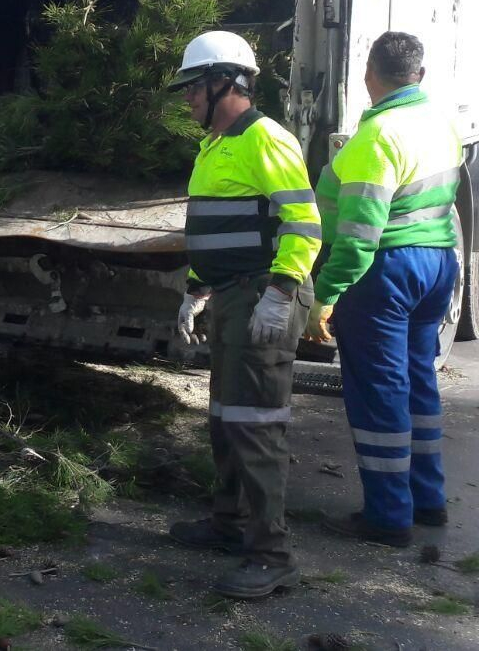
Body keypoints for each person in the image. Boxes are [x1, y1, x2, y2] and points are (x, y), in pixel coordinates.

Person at [165, 31, 322, 599]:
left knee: (256, 427)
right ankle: (228, 524)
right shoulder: (216, 145)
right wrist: (197, 289)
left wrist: (281, 293)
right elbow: (220, 227)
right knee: (227, 418)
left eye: (193, 89)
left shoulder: (265, 139)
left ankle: (272, 554)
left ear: (224, 83)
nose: (187, 101)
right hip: (231, 295)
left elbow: (303, 226)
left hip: (262, 296)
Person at [305, 31, 462, 548]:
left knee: (380, 392)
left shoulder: (377, 139)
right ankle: (427, 499)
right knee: (418, 382)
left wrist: (325, 294)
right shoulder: (441, 126)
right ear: (418, 75)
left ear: (369, 74)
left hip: (386, 270)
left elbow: (357, 238)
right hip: (437, 263)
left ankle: (388, 517)